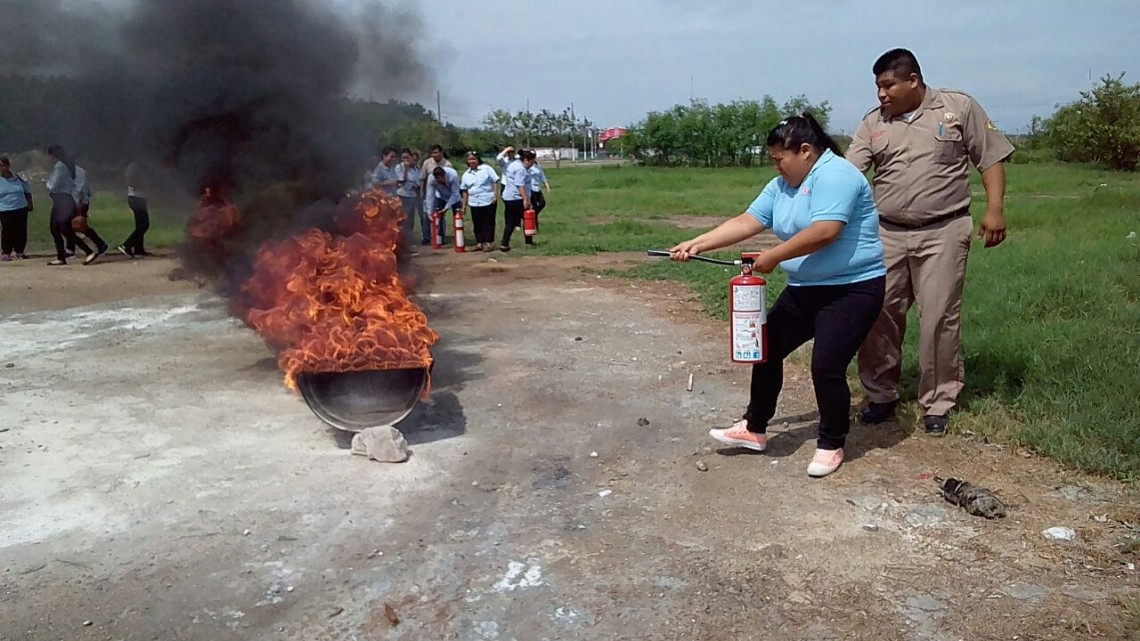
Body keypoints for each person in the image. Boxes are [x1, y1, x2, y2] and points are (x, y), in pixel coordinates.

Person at [669, 113, 886, 478]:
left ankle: (832, 442)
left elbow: (826, 231)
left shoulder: (837, 174)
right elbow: (746, 221)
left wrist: (774, 255)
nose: (776, 166)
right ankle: (754, 428)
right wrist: (695, 243)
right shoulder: (782, 185)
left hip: (852, 289)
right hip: (806, 289)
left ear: (805, 151)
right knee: (765, 348)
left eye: (778, 158)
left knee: (826, 365)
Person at [846, 48, 1015, 436]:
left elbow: (989, 158)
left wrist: (995, 209)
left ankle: (938, 401)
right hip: (886, 232)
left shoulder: (957, 109)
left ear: (913, 81)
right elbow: (850, 173)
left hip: (943, 230)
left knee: (939, 318)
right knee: (879, 314)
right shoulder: (873, 123)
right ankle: (881, 395)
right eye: (877, 86)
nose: (881, 95)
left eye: (888, 85)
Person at [45, 145, 96, 266]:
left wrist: (46, 183)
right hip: (62, 200)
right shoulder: (66, 165)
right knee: (60, 229)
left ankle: (87, 251)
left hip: (62, 200)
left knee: (61, 230)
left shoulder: (60, 167)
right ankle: (61, 256)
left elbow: (52, 185)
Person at [460, 151, 500, 252]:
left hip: (487, 199)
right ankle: (479, 242)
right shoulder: (466, 175)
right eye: (470, 159)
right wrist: (464, 206)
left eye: (474, 159)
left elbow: (495, 181)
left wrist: (495, 195)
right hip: (474, 202)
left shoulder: (486, 169)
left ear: (478, 160)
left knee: (488, 222)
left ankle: (488, 242)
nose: (472, 161)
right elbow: (464, 191)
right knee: (477, 223)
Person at [70, 163, 109, 261]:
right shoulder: (68, 170)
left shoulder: (78, 171)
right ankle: (70, 248)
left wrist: (80, 202)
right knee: (72, 226)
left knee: (79, 226)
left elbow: (81, 188)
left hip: (79, 202)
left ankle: (100, 244)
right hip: (73, 201)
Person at [0, 156, 33, 261]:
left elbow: (27, 190)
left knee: (21, 230)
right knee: (7, 230)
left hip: (21, 206)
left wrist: (29, 202)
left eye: (2, 165)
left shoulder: (17, 177)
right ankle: (6, 252)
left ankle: (19, 251)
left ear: (7, 166)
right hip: (5, 208)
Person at [500, 149, 533, 251]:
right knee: (527, 218)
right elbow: (520, 184)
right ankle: (529, 242)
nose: (532, 164)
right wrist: (525, 199)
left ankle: (504, 244)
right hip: (517, 198)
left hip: (509, 197)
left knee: (510, 221)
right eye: (532, 162)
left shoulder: (514, 164)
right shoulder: (520, 169)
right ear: (526, 160)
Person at [419, 145, 452, 243]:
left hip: (442, 193)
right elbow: (422, 178)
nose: (435, 155)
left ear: (441, 153)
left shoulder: (447, 164)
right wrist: (422, 192)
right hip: (429, 192)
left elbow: (449, 181)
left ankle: (440, 237)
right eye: (433, 153)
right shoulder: (427, 163)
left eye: (437, 153)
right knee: (426, 215)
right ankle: (426, 237)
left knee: (441, 215)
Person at [119, 159, 152, 258]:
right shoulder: (134, 166)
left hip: (139, 198)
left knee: (140, 224)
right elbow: (131, 182)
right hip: (136, 198)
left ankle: (139, 249)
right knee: (144, 225)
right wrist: (145, 185)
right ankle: (126, 245)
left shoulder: (138, 166)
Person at [427, 165, 461, 246]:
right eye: (437, 179)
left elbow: (455, 193)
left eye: (440, 179)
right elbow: (430, 195)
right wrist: (429, 212)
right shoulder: (431, 179)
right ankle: (440, 238)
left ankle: (458, 239)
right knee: (439, 217)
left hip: (455, 197)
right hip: (441, 196)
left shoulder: (453, 175)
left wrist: (446, 207)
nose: (439, 181)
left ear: (444, 175)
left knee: (457, 217)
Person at [395, 149, 422, 247]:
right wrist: (405, 169)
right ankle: (402, 242)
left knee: (411, 220)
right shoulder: (399, 167)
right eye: (403, 158)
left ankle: (410, 240)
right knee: (403, 220)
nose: (406, 160)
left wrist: (416, 186)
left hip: (412, 195)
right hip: (403, 195)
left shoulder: (415, 168)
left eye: (407, 157)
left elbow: (417, 181)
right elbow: (402, 180)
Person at [527, 155, 551, 230]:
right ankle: (534, 225)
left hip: (537, 188)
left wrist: (547, 185)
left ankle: (534, 214)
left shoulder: (538, 165)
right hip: (531, 188)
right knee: (534, 205)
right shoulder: (527, 166)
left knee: (542, 203)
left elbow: (542, 175)